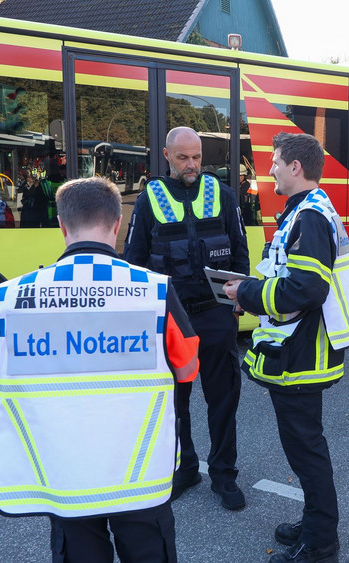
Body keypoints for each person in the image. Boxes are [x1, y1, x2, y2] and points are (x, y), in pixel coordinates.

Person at [0, 176, 201, 562]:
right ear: (118, 225)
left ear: (62, 226)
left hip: (65, 468)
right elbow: (187, 368)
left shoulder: (12, 296)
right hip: (140, 470)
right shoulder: (155, 291)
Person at [224, 132, 349, 563]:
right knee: (305, 453)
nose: (270, 170)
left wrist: (246, 293)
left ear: (295, 167)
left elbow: (305, 289)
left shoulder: (311, 217)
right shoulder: (305, 211)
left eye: (275, 162)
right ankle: (315, 523)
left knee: (307, 454)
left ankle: (321, 544)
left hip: (304, 359)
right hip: (300, 354)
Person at [124, 126, 250, 509]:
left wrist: (241, 299)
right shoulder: (148, 200)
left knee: (223, 400)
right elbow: (134, 260)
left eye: (196, 157)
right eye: (183, 157)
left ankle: (224, 475)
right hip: (172, 319)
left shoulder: (224, 195)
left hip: (215, 315)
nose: (192, 164)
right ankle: (185, 468)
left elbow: (240, 252)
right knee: (174, 403)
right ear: (167, 156)